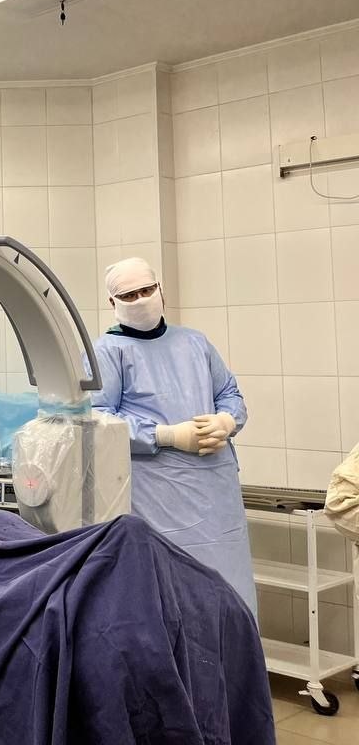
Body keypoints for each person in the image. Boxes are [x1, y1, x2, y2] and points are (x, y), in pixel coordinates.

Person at [89, 256, 256, 611]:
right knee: (174, 592)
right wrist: (166, 435)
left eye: (147, 290)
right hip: (158, 494)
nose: (141, 299)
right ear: (112, 302)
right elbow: (97, 418)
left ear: (161, 290)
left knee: (230, 590)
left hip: (216, 491)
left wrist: (226, 421)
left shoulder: (195, 343)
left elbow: (229, 393)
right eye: (129, 295)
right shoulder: (107, 352)